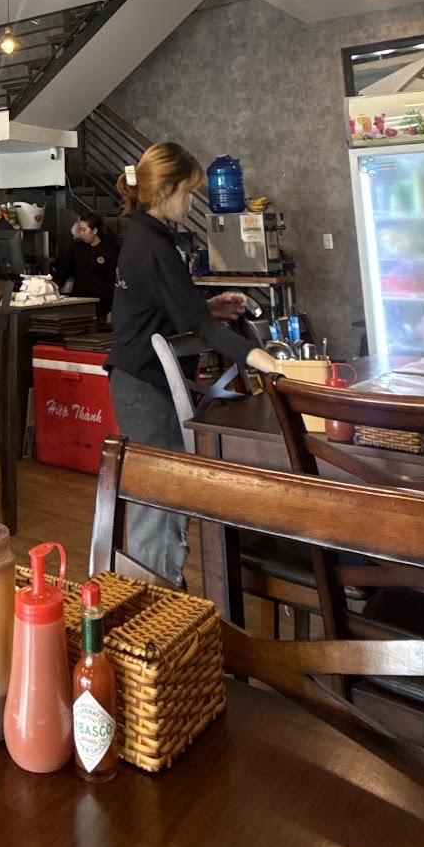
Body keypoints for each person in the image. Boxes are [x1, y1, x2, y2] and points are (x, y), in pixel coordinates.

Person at [105, 142, 278, 587]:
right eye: (187, 192)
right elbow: (198, 327)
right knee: (160, 499)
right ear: (166, 191)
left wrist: (209, 308)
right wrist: (267, 362)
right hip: (144, 386)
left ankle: (158, 594)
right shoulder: (153, 246)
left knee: (160, 496)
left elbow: (168, 310)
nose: (191, 202)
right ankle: (154, 599)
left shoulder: (145, 236)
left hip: (136, 381)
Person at [53, 211, 119, 322]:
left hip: (102, 304)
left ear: (94, 230)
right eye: (80, 230)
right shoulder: (76, 249)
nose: (81, 233)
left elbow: (113, 281)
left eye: (84, 230)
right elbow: (64, 272)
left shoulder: (110, 251)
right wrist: (53, 288)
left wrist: (111, 309)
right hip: (80, 302)